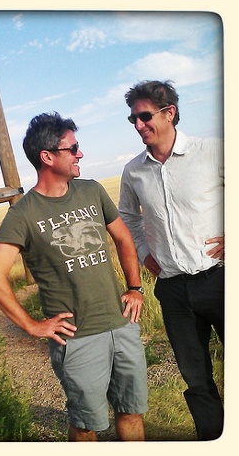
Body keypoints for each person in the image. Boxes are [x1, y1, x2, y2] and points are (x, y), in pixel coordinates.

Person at [0, 112, 148, 441]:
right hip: (78, 338)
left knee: (131, 411)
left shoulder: (91, 191)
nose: (80, 154)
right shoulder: (24, 214)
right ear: (47, 157)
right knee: (87, 425)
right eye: (72, 149)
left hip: (121, 324)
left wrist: (135, 287)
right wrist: (32, 326)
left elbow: (125, 239)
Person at [119, 80, 224, 441]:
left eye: (144, 116)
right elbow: (128, 217)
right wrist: (145, 253)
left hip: (221, 279)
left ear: (169, 113)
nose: (138, 124)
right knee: (195, 378)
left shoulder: (211, 151)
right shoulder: (134, 171)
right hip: (173, 290)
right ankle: (213, 440)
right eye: (132, 118)